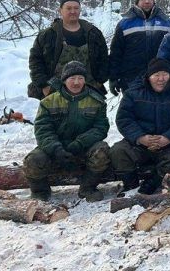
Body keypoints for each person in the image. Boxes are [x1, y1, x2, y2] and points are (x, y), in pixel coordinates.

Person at [23, 61, 111, 202]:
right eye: (72, 78)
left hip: (84, 147)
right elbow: (43, 130)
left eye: (80, 78)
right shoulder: (48, 102)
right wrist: (56, 149)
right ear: (64, 80)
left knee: (102, 151)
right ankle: (40, 191)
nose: (76, 82)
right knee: (33, 160)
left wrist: (80, 143)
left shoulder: (97, 101)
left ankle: (88, 188)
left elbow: (100, 128)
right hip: (55, 148)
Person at [111, 59, 170, 194]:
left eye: (165, 74)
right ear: (149, 76)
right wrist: (140, 137)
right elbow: (124, 119)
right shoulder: (133, 93)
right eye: (156, 75)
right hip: (140, 144)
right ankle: (130, 184)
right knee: (118, 151)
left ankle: (154, 182)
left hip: (169, 145)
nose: (161, 79)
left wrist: (168, 138)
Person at [28, 0, 108, 99]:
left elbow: (104, 59)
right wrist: (44, 85)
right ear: (60, 10)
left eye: (76, 8)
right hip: (54, 91)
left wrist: (100, 81)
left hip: (88, 89)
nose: (73, 11)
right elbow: (35, 61)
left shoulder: (93, 33)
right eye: (69, 8)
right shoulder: (48, 35)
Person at [108, 0, 170, 94]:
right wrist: (113, 77)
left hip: (160, 78)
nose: (147, 1)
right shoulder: (125, 23)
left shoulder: (166, 22)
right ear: (137, 1)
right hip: (131, 78)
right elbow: (116, 52)